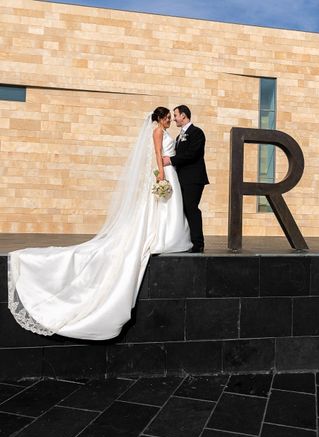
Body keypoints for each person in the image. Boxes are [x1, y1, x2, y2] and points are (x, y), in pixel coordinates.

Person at [7, 107, 193, 340]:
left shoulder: (167, 133)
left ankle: (168, 236)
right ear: (159, 118)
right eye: (167, 117)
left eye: (171, 117)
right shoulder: (157, 132)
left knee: (169, 209)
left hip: (170, 171)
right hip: (165, 173)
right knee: (160, 208)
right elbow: (156, 153)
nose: (169, 120)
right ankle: (161, 236)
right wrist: (161, 175)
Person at [163, 105, 209, 253]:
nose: (174, 118)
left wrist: (171, 160)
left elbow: (192, 154)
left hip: (194, 178)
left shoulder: (197, 132)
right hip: (181, 179)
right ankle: (187, 241)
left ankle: (198, 243)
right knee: (183, 209)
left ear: (183, 116)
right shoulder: (178, 137)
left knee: (191, 208)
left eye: (175, 115)